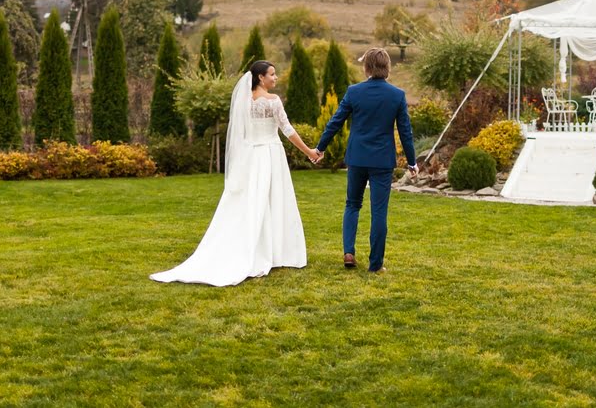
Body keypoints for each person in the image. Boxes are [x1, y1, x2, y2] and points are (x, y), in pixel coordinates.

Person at [150, 60, 317, 287]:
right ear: (260, 77)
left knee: (251, 202)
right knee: (274, 200)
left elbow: (239, 135)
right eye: (272, 74)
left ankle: (257, 247)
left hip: (250, 158)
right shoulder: (273, 101)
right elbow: (287, 129)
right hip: (269, 154)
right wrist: (309, 151)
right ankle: (275, 251)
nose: (275, 78)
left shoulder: (243, 102)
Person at [314, 47, 417, 273]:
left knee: (352, 204)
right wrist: (412, 162)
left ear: (367, 67)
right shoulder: (397, 95)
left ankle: (349, 251)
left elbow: (335, 122)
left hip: (357, 158)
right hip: (382, 160)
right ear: (387, 67)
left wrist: (320, 148)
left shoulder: (354, 91)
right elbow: (405, 131)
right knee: (379, 211)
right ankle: (375, 265)